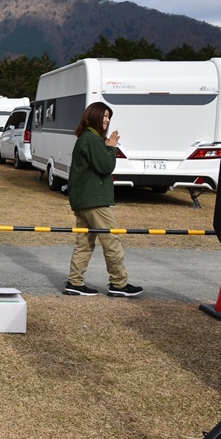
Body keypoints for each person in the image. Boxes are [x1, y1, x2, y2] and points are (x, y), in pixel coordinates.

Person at [63, 101, 143, 297]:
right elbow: (106, 166)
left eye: (109, 116)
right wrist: (111, 148)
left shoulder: (86, 138)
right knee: (111, 241)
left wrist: (106, 145)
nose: (107, 120)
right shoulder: (92, 139)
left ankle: (74, 282)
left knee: (84, 243)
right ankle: (119, 284)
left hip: (82, 201)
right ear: (94, 116)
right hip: (95, 201)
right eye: (104, 116)